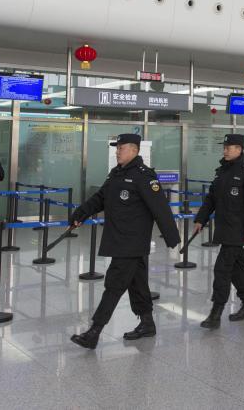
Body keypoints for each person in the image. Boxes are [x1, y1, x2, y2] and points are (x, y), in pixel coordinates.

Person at [69, 133, 181, 349]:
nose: (117, 151)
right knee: (137, 283)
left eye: (121, 148)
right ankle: (147, 323)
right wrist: (80, 214)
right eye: (117, 148)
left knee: (114, 284)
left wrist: (172, 237)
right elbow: (100, 198)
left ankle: (94, 332)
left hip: (132, 241)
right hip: (119, 237)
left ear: (134, 150)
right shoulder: (117, 173)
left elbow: (160, 207)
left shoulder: (144, 176)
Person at [193, 134, 244, 329]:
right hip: (224, 228)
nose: (225, 150)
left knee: (221, 270)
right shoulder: (221, 172)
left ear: (239, 149)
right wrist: (201, 218)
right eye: (224, 147)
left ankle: (216, 313)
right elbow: (211, 199)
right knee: (238, 269)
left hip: (237, 230)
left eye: (228, 147)